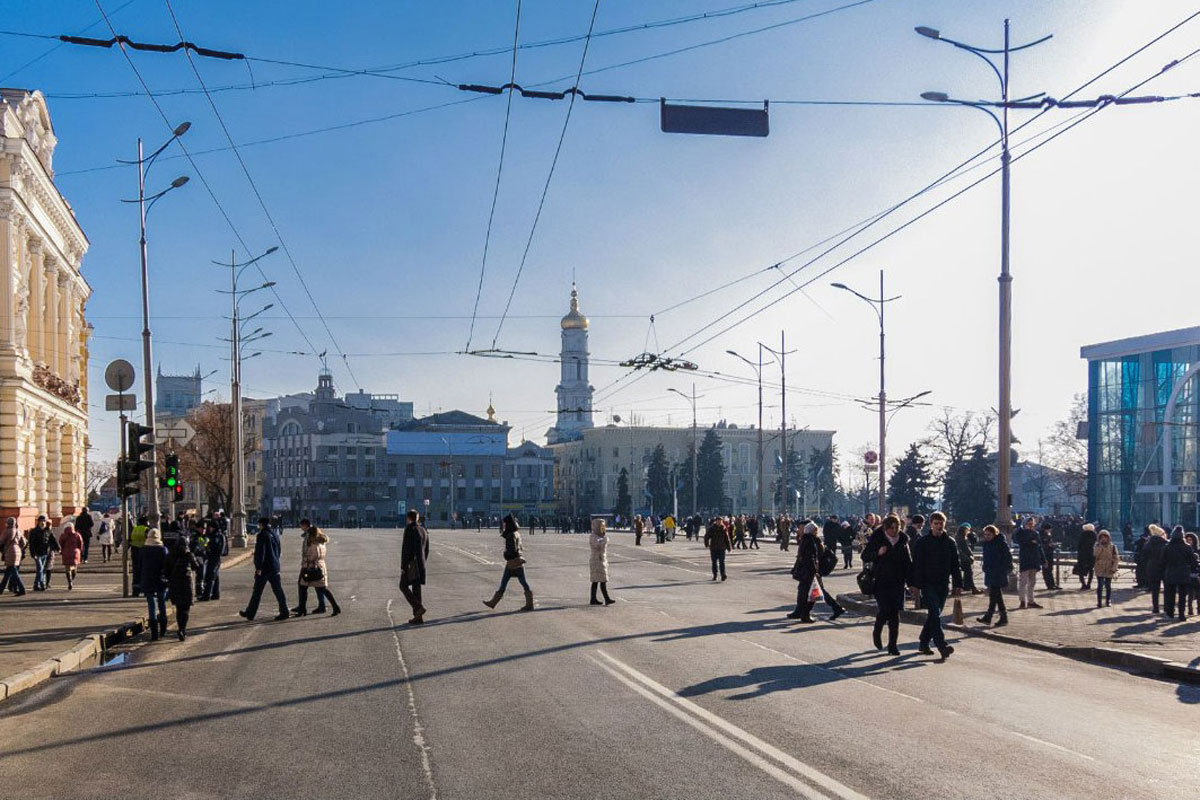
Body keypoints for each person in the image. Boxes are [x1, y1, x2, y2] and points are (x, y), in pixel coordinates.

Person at [910, 511, 962, 659]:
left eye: (941, 523)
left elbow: (955, 565)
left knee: (935, 615)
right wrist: (915, 585)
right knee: (934, 614)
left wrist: (958, 583)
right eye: (936, 523)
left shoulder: (950, 542)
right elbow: (917, 565)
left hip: (943, 584)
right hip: (928, 584)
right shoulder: (923, 542)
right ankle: (942, 646)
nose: (939, 526)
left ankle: (923, 641)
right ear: (931, 524)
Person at [863, 514, 910, 655]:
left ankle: (892, 645)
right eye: (892, 528)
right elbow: (865, 555)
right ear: (885, 528)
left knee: (895, 615)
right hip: (881, 581)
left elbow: (908, 564)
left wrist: (912, 583)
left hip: (897, 582)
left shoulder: (902, 541)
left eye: (897, 528)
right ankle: (877, 631)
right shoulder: (878, 539)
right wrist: (878, 553)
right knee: (884, 611)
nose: (895, 531)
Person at [788, 521, 844, 623]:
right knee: (807, 591)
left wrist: (814, 571)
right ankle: (801, 612)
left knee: (812, 593)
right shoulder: (811, 540)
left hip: (810, 571)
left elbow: (811, 557)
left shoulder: (810, 540)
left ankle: (805, 613)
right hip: (811, 570)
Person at [239, 518, 291, 622]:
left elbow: (260, 552)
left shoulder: (262, 535)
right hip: (274, 566)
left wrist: (258, 567)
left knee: (257, 592)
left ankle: (250, 613)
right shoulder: (275, 535)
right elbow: (279, 550)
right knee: (278, 591)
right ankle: (284, 611)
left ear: (261, 524)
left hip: (264, 568)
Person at [483, 514, 534, 611]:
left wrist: (506, 554)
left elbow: (512, 549)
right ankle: (529, 603)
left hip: (512, 562)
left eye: (505, 523)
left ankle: (493, 602)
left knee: (506, 583)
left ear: (508, 524)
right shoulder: (516, 533)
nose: (504, 525)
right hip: (518, 561)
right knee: (522, 582)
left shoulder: (510, 535)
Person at [296, 524, 341, 617]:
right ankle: (335, 606)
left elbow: (311, 557)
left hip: (311, 567)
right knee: (322, 589)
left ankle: (302, 609)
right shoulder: (322, 542)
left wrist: (304, 560)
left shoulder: (313, 544)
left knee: (303, 587)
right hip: (320, 567)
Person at [165, 533, 201, 640]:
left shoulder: (171, 554)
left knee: (179, 608)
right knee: (186, 609)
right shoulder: (189, 554)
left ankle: (180, 627)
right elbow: (196, 567)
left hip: (175, 584)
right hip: (186, 584)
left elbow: (166, 570)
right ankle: (182, 629)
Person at [977, 524, 1013, 627]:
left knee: (995, 595)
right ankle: (996, 617)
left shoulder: (1000, 543)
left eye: (989, 534)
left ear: (994, 534)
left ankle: (995, 617)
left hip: (998, 572)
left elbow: (1007, 557)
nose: (987, 536)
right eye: (985, 534)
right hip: (990, 572)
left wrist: (1004, 569)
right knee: (995, 596)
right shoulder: (987, 544)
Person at [399, 509, 429, 624]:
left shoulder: (409, 529)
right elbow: (426, 550)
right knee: (417, 589)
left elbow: (405, 549)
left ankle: (418, 607)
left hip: (411, 564)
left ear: (408, 518)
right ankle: (418, 617)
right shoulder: (423, 530)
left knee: (403, 586)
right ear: (417, 518)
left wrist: (403, 566)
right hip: (421, 564)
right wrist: (423, 562)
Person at [140, 528, 169, 639]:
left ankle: (154, 633)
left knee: (151, 604)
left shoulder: (144, 550)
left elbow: (139, 566)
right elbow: (167, 565)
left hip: (147, 579)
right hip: (161, 580)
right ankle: (163, 629)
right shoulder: (163, 550)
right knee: (162, 603)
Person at [1163, 526, 1197, 621]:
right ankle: (1181, 614)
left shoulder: (1167, 547)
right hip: (1183, 573)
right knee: (1182, 595)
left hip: (1170, 572)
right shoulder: (1187, 547)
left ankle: (1170, 612)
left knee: (1171, 594)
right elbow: (1192, 561)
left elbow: (1163, 560)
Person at [1012, 517, 1045, 610]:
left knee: (1032, 582)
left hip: (1034, 559)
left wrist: (1043, 559)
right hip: (1025, 559)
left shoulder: (1035, 533)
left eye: (1032, 524)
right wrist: (1031, 541)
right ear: (1025, 524)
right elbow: (1021, 542)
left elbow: (1039, 546)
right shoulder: (1021, 532)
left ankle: (1031, 601)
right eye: (1029, 524)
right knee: (1023, 581)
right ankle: (1022, 601)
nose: (1031, 525)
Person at [26, 514, 58, 591]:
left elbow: (53, 540)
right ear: (38, 522)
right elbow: (31, 543)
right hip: (37, 553)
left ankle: (36, 585)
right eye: (41, 521)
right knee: (40, 569)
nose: (42, 522)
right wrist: (33, 554)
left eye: (44, 521)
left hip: (45, 552)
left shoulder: (48, 530)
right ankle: (42, 584)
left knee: (41, 570)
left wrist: (58, 548)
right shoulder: (34, 531)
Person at [1142, 524, 1169, 614]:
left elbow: (1143, 557)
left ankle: (1155, 608)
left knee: (1155, 589)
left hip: (1152, 567)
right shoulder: (1165, 544)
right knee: (1167, 589)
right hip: (1164, 568)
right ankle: (1166, 607)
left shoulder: (1148, 544)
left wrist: (1147, 565)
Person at [589, 518, 614, 605]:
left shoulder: (600, 537)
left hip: (601, 560)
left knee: (601, 580)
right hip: (596, 560)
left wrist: (604, 537)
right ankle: (599, 599)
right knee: (597, 580)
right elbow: (598, 545)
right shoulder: (593, 536)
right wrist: (605, 540)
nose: (603, 529)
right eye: (601, 527)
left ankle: (599, 599)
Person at [1092, 529, 1120, 608]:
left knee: (1108, 586)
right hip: (1099, 567)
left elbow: (1116, 558)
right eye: (1102, 537)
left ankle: (1108, 600)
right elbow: (1095, 555)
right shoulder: (1097, 546)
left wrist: (1114, 568)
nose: (1104, 539)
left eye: (1105, 537)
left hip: (1109, 568)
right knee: (1100, 585)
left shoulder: (1113, 546)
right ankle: (1099, 602)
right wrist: (1100, 546)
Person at [0, 517, 27, 596]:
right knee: (8, 571)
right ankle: (1, 588)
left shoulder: (7, 531)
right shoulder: (18, 531)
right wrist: (19, 548)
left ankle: (22, 589)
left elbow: (1, 542)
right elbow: (24, 542)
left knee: (14, 571)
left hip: (10, 552)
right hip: (18, 551)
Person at [199, 521, 225, 601]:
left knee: (210, 576)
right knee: (215, 577)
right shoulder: (210, 535)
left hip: (215, 557)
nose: (209, 528)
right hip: (211, 557)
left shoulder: (218, 536)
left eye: (210, 527)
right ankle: (215, 594)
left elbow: (218, 548)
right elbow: (205, 544)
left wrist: (209, 548)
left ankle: (206, 595)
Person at [955, 524, 981, 594]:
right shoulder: (960, 539)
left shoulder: (963, 538)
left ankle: (967, 587)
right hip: (964, 559)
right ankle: (972, 588)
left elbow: (973, 542)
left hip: (965, 558)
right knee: (968, 573)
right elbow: (963, 549)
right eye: (968, 530)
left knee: (968, 574)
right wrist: (968, 557)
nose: (969, 531)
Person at [704, 516, 731, 582]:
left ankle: (723, 575)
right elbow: (706, 536)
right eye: (718, 521)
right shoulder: (712, 528)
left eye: (720, 521)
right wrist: (707, 544)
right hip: (714, 548)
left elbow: (726, 539)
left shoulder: (724, 528)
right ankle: (715, 575)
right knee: (714, 562)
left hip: (722, 548)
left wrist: (728, 547)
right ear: (716, 521)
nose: (719, 522)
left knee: (722, 562)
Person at [58, 523, 83, 590]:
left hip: (66, 553)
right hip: (75, 552)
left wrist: (62, 551)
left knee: (67, 568)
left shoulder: (63, 535)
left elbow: (60, 544)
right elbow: (80, 543)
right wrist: (79, 551)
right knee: (75, 567)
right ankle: (72, 578)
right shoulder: (77, 535)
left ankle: (70, 582)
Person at [130, 516, 149, 596]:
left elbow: (131, 539)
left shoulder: (135, 529)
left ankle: (135, 591)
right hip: (144, 551)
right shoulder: (146, 529)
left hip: (134, 551)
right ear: (145, 522)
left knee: (136, 572)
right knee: (145, 571)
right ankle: (145, 590)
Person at [1074, 523, 1097, 591]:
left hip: (1082, 554)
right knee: (1090, 569)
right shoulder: (1094, 535)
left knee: (1081, 569)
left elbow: (1079, 544)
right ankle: (1089, 584)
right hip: (1091, 554)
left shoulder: (1082, 534)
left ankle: (1083, 584)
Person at [1039, 524, 1059, 590]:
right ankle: (1049, 585)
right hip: (1046, 555)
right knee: (1047, 570)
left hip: (1049, 554)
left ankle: (1052, 584)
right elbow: (1043, 545)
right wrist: (1050, 545)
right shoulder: (1043, 535)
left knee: (1049, 570)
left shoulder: (1047, 535)